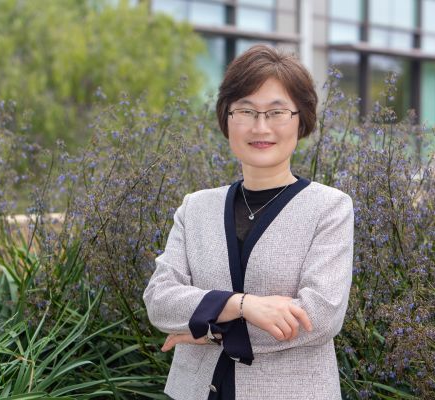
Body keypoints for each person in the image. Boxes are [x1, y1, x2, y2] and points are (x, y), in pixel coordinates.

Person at [143, 44, 354, 400]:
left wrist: (208, 329)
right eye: (246, 110)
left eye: (276, 112)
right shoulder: (195, 208)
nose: (260, 127)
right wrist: (244, 306)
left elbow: (319, 316)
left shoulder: (329, 207)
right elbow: (160, 300)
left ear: (301, 119)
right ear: (226, 117)